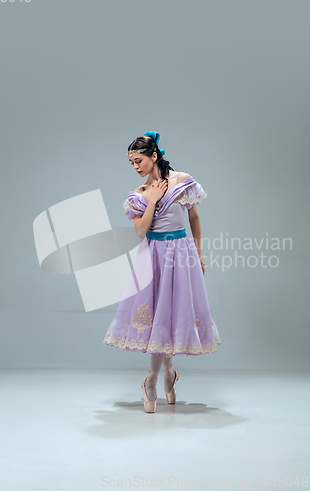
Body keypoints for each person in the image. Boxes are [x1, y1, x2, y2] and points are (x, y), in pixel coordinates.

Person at [103, 131, 221, 413]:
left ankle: (158, 377)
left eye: (139, 160)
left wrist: (200, 254)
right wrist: (153, 199)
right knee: (158, 315)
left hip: (181, 254)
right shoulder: (139, 195)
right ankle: (160, 376)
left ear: (154, 156)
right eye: (131, 162)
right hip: (153, 256)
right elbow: (141, 232)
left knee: (172, 313)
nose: (135, 166)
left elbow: (193, 217)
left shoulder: (182, 182)